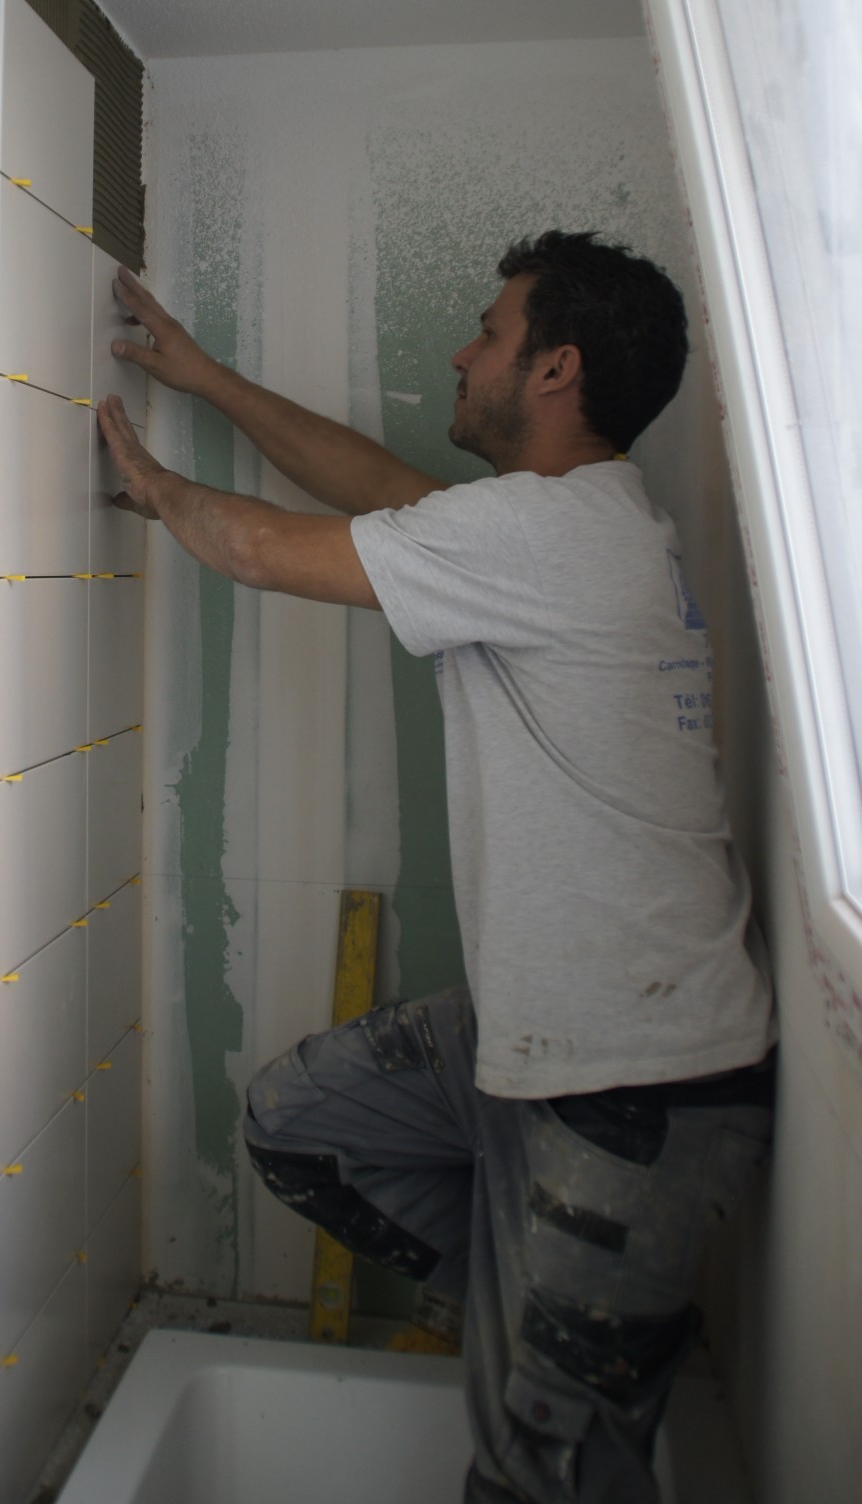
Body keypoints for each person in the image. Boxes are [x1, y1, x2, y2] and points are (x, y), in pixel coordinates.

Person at [96, 229, 776, 1504]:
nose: (464, 353)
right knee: (303, 1121)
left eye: (492, 331)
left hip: (633, 1084)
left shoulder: (547, 534)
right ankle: (569, 1324)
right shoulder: (570, 523)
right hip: (565, 1030)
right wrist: (207, 377)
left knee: (538, 1476)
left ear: (557, 368)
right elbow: (375, 485)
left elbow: (260, 549)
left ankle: (580, 1346)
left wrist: (151, 482)